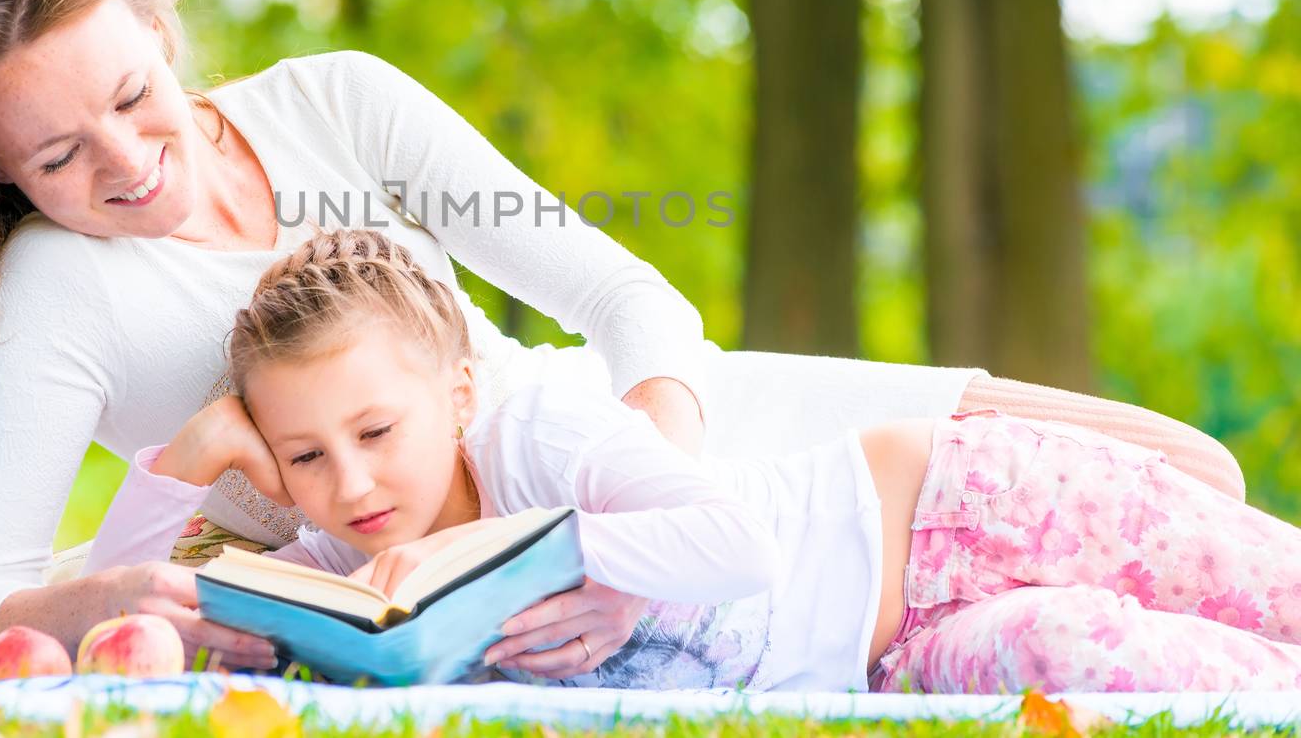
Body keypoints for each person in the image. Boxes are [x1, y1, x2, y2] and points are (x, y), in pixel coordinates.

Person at [0, 0, 1243, 670]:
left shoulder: (336, 102)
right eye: (59, 154)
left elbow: (633, 307)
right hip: (576, 601)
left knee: (1195, 479)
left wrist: (620, 538)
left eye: (135, 94)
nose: (128, 160)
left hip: (685, 456)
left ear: (160, 27)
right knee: (1115, 636)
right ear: (2, 176)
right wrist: (154, 538)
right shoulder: (63, 295)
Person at [88, 228, 1301, 692]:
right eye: (301, 456)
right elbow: (132, 617)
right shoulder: (349, 570)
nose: (351, 486)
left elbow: (737, 541)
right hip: (890, 657)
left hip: (953, 506)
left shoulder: (537, 435)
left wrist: (553, 553)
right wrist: (186, 464)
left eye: (374, 433)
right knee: (1076, 660)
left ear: (452, 396)